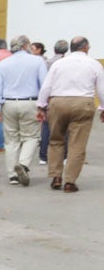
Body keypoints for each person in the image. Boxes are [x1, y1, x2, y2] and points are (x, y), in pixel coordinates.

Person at [37, 36, 104, 192]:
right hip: (83, 103)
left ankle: (56, 177)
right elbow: (101, 89)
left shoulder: (59, 63)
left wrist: (41, 106)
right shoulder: (94, 64)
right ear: (86, 47)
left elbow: (47, 86)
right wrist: (102, 108)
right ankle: (70, 182)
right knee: (77, 144)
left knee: (56, 140)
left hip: (58, 102)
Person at [0, 34, 47, 186]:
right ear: (25, 46)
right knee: (32, 137)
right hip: (30, 102)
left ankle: (12, 175)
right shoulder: (37, 61)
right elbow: (44, 84)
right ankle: (23, 164)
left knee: (11, 140)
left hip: (8, 103)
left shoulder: (3, 64)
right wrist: (43, 106)